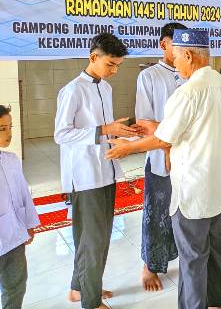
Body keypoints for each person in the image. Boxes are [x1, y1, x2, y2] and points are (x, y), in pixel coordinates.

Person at [106, 29, 221, 309]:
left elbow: (164, 138)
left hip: (195, 189)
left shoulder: (188, 92)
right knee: (217, 247)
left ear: (189, 55)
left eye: (177, 57)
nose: (175, 63)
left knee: (192, 256)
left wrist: (126, 147)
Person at [54, 33, 139, 309]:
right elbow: (62, 134)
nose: (114, 71)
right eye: (111, 64)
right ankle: (90, 302)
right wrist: (104, 130)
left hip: (106, 168)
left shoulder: (105, 88)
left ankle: (79, 288)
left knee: (97, 237)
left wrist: (120, 133)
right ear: (94, 57)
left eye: (118, 66)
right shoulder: (72, 90)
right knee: (93, 240)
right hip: (85, 175)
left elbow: (103, 128)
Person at [135, 22, 186, 291]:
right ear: (163, 44)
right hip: (160, 158)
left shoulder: (191, 73)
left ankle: (187, 258)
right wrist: (167, 146)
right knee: (157, 212)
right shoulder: (150, 76)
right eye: (176, 43)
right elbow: (144, 121)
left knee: (187, 211)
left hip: (189, 158)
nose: (181, 49)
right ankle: (150, 266)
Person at [0, 104, 40, 309]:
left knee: (16, 284)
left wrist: (30, 224)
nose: (9, 134)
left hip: (14, 236)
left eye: (10, 127)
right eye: (2, 129)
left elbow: (24, 195)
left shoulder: (11, 160)